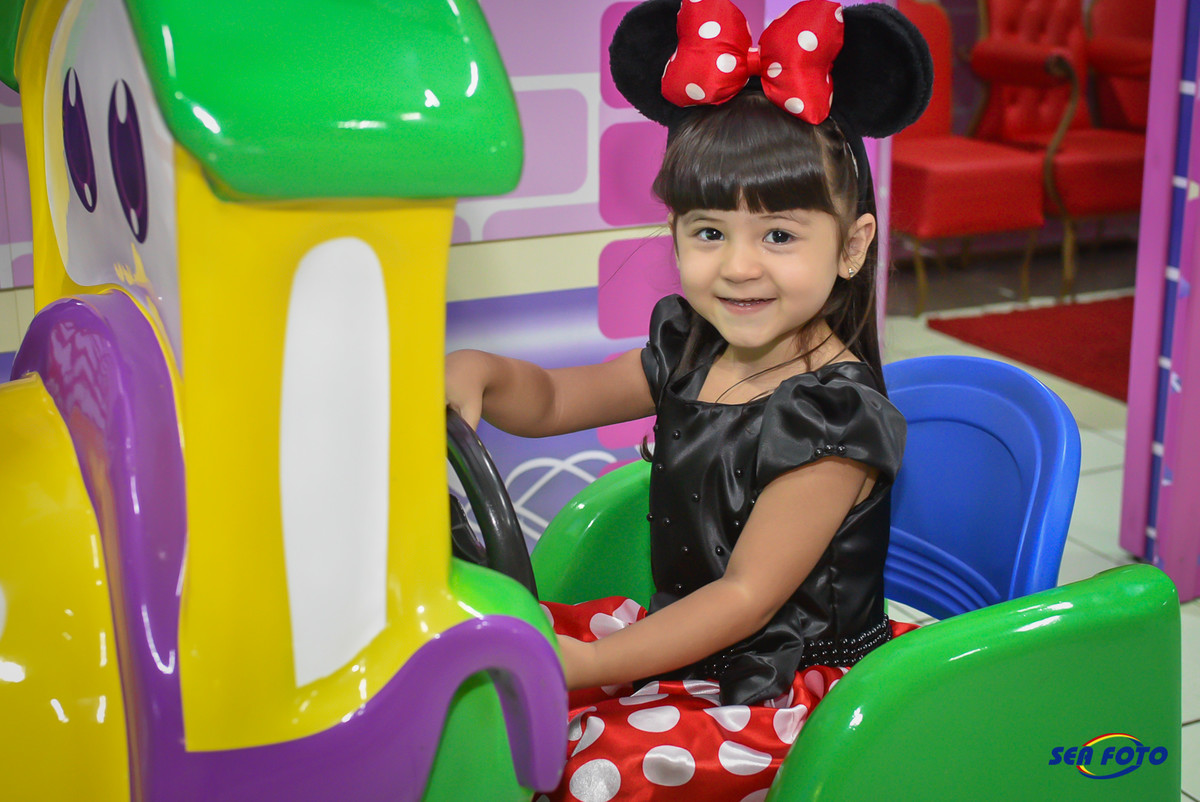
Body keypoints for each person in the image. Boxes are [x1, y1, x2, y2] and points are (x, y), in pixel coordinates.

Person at [446, 1, 932, 798]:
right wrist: (483, 373)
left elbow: (745, 598)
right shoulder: (690, 350)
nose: (737, 267)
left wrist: (592, 665)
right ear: (674, 231)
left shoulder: (832, 421)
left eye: (779, 235)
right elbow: (558, 398)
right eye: (709, 232)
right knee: (484, 658)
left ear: (851, 246)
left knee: (591, 766)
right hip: (695, 643)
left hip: (779, 684)